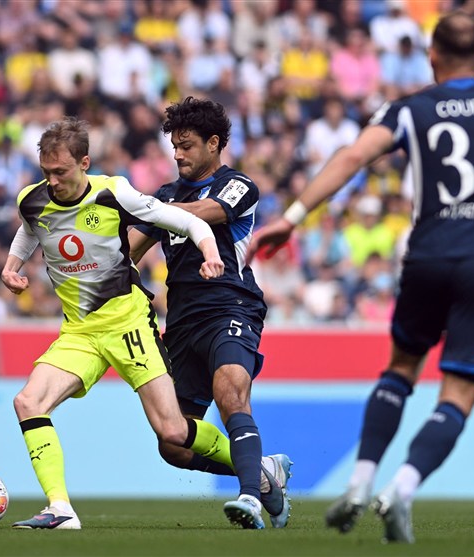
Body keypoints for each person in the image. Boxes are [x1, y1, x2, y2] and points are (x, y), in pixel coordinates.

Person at [249, 12, 474, 543]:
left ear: (432, 57)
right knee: (460, 389)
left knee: (400, 368)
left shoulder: (412, 108)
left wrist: (292, 217)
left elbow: (354, 155)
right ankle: (403, 488)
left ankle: (359, 481)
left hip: (429, 255)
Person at [1, 116, 233, 530]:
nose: (52, 181)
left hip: (128, 325)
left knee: (173, 432)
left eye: (61, 172)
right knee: (27, 403)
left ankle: (255, 466)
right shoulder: (32, 199)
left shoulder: (114, 193)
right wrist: (11, 267)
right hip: (79, 332)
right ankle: (60, 508)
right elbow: (30, 228)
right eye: (46, 172)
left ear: (84, 163)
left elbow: (188, 221)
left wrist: (211, 254)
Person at [128, 97, 291, 530]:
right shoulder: (164, 197)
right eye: (174, 147)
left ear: (214, 144)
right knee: (174, 443)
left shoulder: (237, 186)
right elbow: (128, 254)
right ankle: (261, 473)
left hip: (229, 306)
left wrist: (146, 209)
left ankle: (249, 498)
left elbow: (206, 213)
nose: (177, 155)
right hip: (181, 322)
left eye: (186, 146)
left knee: (231, 392)